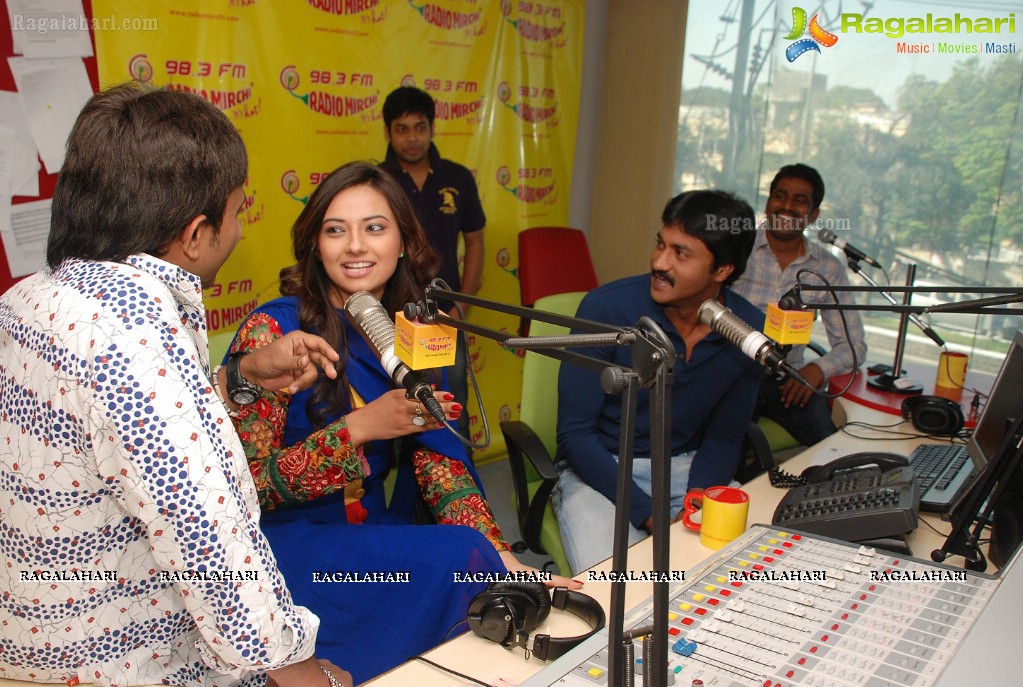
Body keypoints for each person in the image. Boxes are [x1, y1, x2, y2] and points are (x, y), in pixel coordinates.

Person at [0, 83, 350, 687]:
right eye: (238, 212)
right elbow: (215, 553)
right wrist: (309, 679)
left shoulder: (28, 299)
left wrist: (235, 377)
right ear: (195, 234)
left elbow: (109, 434)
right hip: (119, 661)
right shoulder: (131, 339)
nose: (240, 231)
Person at [225, 161, 577, 683]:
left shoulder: (413, 333)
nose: (355, 247)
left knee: (474, 564)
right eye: (335, 230)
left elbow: (440, 462)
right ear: (315, 245)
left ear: (403, 241)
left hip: (370, 532)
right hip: (285, 545)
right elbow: (244, 487)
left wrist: (500, 550)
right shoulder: (273, 329)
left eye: (374, 227)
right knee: (458, 566)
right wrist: (359, 429)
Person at [553, 190, 764, 574]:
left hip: (688, 470)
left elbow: (725, 437)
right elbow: (575, 434)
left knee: (732, 577)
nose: (659, 262)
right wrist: (648, 514)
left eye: (681, 253)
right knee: (625, 586)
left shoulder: (746, 332)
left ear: (722, 270)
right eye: (660, 244)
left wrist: (701, 494)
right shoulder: (605, 309)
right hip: (601, 470)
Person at [731, 163, 867, 446]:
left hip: (788, 379)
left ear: (813, 215)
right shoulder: (737, 248)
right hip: (733, 373)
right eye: (780, 196)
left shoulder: (828, 269)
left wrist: (818, 369)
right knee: (732, 445)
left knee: (831, 447)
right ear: (768, 203)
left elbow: (854, 346)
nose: (787, 206)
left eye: (800, 201)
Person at [380, 86, 485, 446]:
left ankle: (462, 476)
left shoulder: (457, 178)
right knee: (394, 404)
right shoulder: (378, 182)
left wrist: (463, 305)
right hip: (389, 317)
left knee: (452, 400)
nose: (412, 138)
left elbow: (474, 241)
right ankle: (403, 492)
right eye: (402, 128)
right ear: (388, 132)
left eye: (419, 127)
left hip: (445, 316)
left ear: (432, 128)